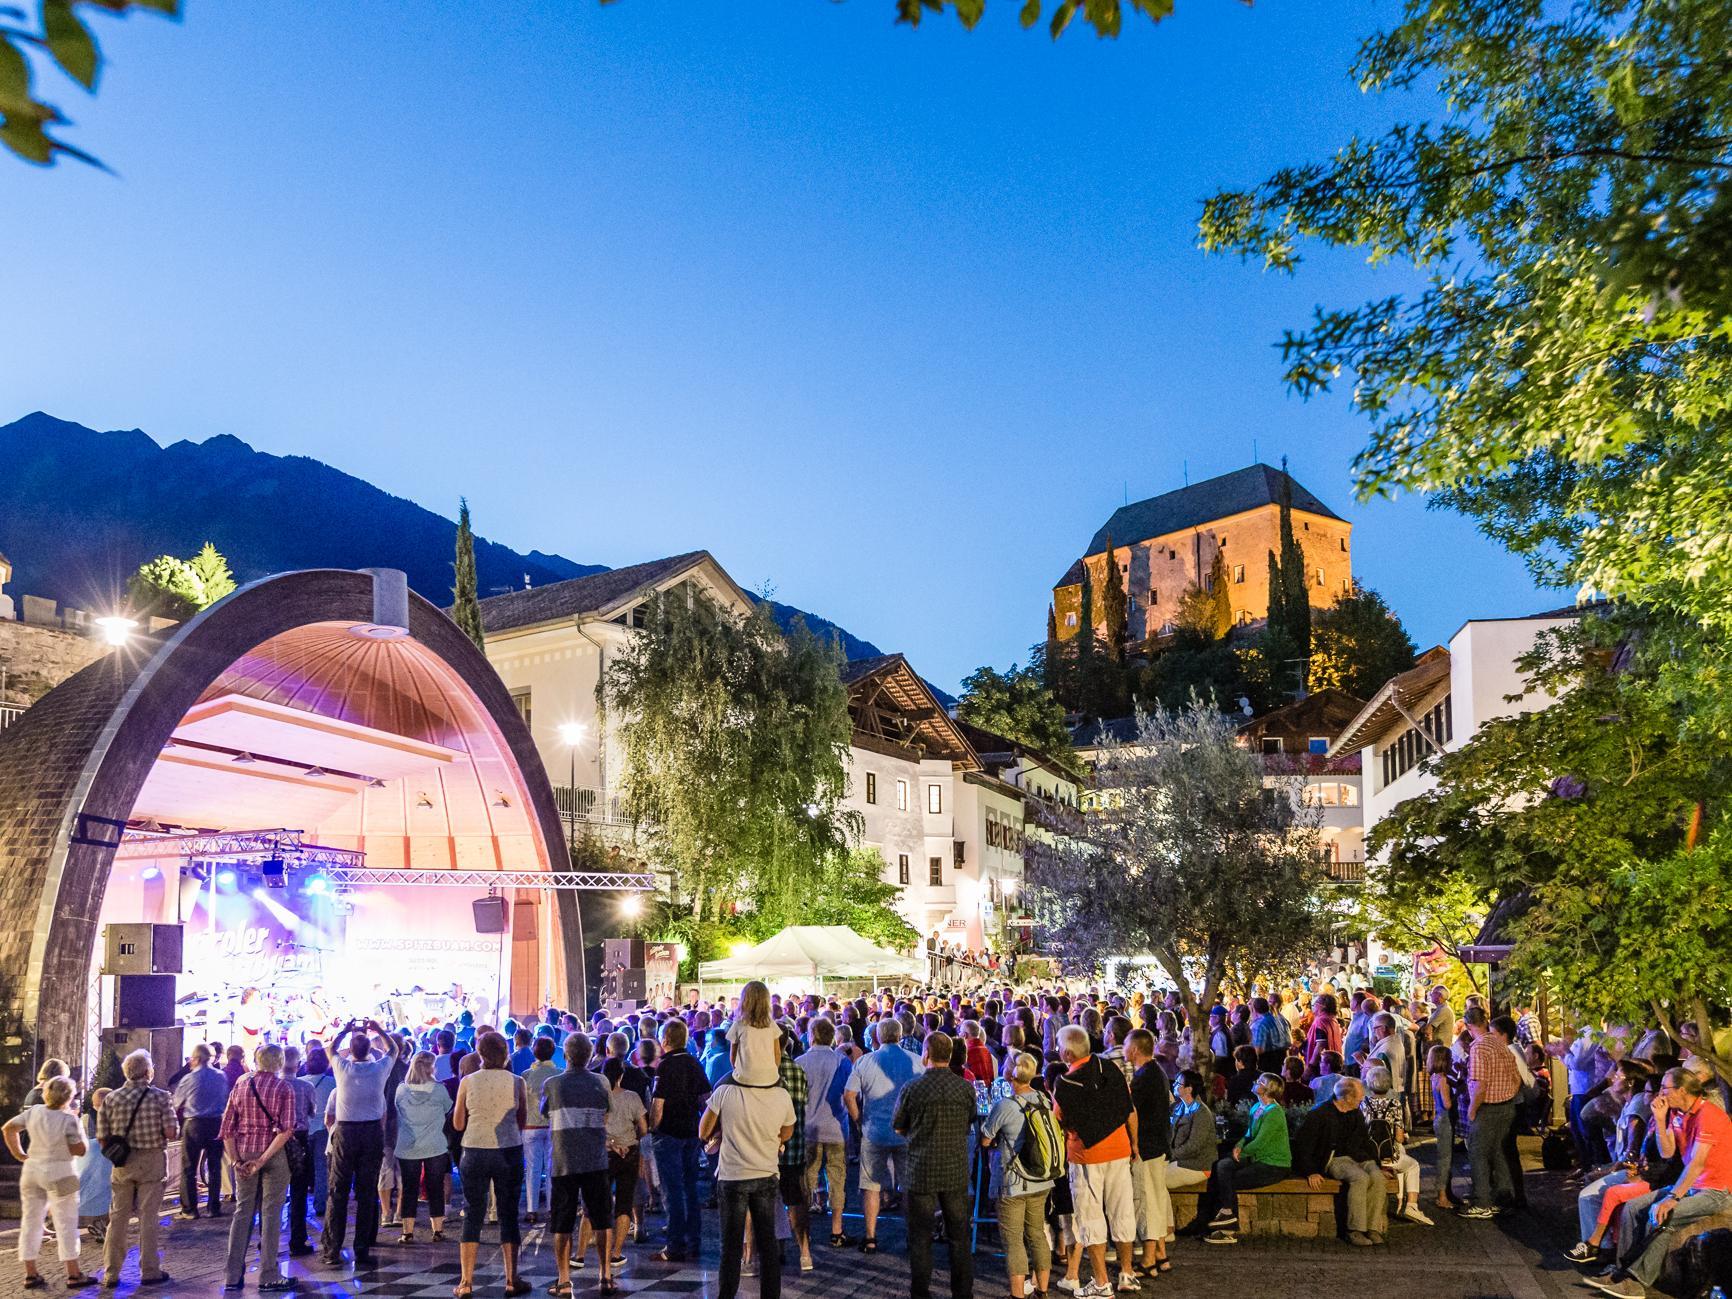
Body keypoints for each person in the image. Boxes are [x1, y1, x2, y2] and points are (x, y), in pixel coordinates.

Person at [1592, 1067, 1732, 1299]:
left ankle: (1636, 1282)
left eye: (1665, 1088)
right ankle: (1621, 1272)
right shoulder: (1679, 1114)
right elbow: (1668, 1152)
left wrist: (1672, 1198)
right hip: (1692, 1185)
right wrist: (1658, 1117)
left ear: (1682, 1090)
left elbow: (1696, 1164)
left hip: (1715, 1190)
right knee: (1632, 1208)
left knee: (1662, 1216)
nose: (1661, 1093)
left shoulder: (1709, 1115)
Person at [1052, 1024, 1137, 1297]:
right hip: (1120, 1148)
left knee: (1091, 1218)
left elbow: (1060, 1120)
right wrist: (1134, 1143)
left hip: (1087, 1155)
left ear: (1066, 1053)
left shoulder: (1064, 1084)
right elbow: (1129, 1109)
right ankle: (1127, 1272)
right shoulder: (1109, 1069)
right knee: (1122, 1212)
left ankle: (1101, 1283)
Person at [892, 1032, 978, 1299]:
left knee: (920, 1237)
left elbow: (898, 1126)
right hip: (954, 1168)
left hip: (921, 1169)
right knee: (959, 1237)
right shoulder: (965, 1088)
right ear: (949, 1055)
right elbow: (970, 1122)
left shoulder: (912, 1088)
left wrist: (917, 1134)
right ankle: (962, 1292)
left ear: (926, 1054)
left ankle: (920, 1291)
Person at [701, 1065, 796, 1299]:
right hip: (765, 1171)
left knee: (730, 1247)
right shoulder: (781, 1094)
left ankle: (726, 1296)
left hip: (733, 1174)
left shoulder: (725, 1091)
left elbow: (704, 1131)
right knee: (768, 1245)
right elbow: (786, 1133)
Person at [452, 1031, 529, 1297]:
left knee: (473, 1212)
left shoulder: (468, 1081)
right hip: (508, 1150)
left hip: (474, 1149)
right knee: (508, 1214)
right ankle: (511, 1278)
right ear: (506, 1053)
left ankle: (465, 1282)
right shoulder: (517, 1081)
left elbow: (458, 1124)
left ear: (479, 1054)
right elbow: (522, 1121)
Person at [4, 1074, 96, 1289]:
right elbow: (80, 1150)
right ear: (69, 1096)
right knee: (66, 1221)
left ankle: (30, 1272)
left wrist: (19, 1154)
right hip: (61, 1172)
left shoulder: (34, 1112)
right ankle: (73, 1273)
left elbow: (8, 1128)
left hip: (33, 1169)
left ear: (46, 1093)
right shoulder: (68, 1120)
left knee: (31, 1221)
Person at [97, 1048, 178, 1288]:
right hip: (152, 1160)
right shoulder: (161, 1097)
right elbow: (171, 1132)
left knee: (118, 1218)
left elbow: (102, 1137)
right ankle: (149, 1270)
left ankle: (111, 1273)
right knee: (148, 1218)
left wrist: (118, 1153)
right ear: (147, 1072)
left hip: (122, 1163)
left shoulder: (111, 1099)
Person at [218, 1042, 296, 1293]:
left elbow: (227, 1127)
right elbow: (286, 1130)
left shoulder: (241, 1084)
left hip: (243, 1151)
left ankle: (232, 1275)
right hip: (272, 1154)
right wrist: (263, 1159)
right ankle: (269, 1274)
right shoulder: (283, 1087)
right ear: (279, 1062)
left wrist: (236, 1160)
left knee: (242, 1212)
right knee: (271, 1214)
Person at [323, 1019, 401, 1268]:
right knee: (367, 1191)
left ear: (351, 1050)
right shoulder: (379, 1070)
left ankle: (332, 1249)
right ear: (369, 1050)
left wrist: (345, 1030)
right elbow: (394, 1050)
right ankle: (363, 1248)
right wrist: (380, 1030)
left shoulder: (342, 1067)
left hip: (346, 1131)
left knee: (338, 1191)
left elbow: (330, 1048)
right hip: (371, 1132)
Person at [545, 1033, 615, 1297]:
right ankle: (605, 1275)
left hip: (564, 1160)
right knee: (601, 1218)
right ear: (589, 1055)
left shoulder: (554, 1084)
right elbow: (608, 1113)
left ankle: (564, 1280)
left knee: (562, 1222)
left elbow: (545, 1112)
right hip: (595, 1158)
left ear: (566, 1055)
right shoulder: (601, 1081)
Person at [843, 1015, 920, 1253]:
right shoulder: (916, 1061)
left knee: (871, 1185)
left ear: (877, 1036)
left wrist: (858, 1120)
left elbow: (849, 1095)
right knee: (908, 1186)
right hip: (907, 1132)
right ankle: (912, 1234)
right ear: (900, 1035)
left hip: (874, 1129)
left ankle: (870, 1236)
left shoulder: (865, 1062)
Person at [981, 1051, 1055, 1299]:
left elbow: (986, 1138)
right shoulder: (1043, 1100)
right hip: (1041, 1179)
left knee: (1013, 1240)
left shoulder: (1006, 1105)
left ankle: (1017, 1294)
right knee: (1036, 1234)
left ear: (1011, 1074)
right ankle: (1042, 1290)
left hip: (1013, 1181)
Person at [1188, 1073, 1290, 1246]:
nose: (1256, 1082)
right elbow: (1249, 1134)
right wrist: (1238, 1146)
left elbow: (1260, 1142)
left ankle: (1227, 1227)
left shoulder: (1274, 1113)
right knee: (1222, 1167)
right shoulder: (1257, 1107)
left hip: (1273, 1164)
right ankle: (1223, 1218)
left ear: (1268, 1090)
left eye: (1260, 1082)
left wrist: (1240, 1153)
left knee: (1228, 1179)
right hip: (1256, 1157)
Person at [1291, 1077, 1388, 1246]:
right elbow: (1304, 1145)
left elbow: (1365, 1141)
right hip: (1335, 1159)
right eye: (1358, 1097)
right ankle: (1355, 1229)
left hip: (1359, 1157)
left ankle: (1372, 1228)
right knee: (1360, 1178)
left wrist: (1378, 1165)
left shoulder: (1355, 1112)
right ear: (1347, 1098)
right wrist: (1310, 1171)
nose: (1361, 1100)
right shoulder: (1320, 1114)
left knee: (1378, 1178)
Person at [649, 1018, 710, 1263]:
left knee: (671, 1190)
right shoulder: (694, 1063)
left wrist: (653, 1127)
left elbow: (658, 1103)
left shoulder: (664, 1066)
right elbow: (706, 1098)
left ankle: (674, 1245)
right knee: (690, 1188)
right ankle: (694, 1241)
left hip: (669, 1133)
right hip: (691, 1132)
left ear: (665, 1040)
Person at [795, 1017, 853, 1248]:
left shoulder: (801, 1062)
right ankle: (837, 1230)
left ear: (811, 1035)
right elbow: (849, 1092)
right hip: (836, 1127)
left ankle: (804, 1232)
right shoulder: (841, 1061)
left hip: (809, 1127)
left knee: (807, 1177)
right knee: (837, 1177)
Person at [1459, 1005, 1518, 1219]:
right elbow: (1515, 1074)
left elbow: (1480, 1084)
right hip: (1507, 1104)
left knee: (1478, 1153)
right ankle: (1502, 1196)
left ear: (1468, 1026)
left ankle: (1482, 1201)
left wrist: (1473, 1110)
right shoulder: (1498, 1042)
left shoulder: (1479, 1048)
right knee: (1497, 1151)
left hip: (1489, 1107)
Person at [1122, 1029, 1170, 1276]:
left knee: (1147, 1202)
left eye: (1125, 1044)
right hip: (1158, 1145)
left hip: (1147, 1148)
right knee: (1156, 1199)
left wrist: (1134, 1144)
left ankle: (1149, 1258)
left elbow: (1134, 1113)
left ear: (1135, 1049)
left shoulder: (1143, 1078)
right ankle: (1161, 1254)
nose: (1122, 1048)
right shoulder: (1157, 1072)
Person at [394, 1051, 454, 1244]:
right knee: (435, 1187)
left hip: (408, 1144)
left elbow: (397, 1109)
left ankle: (407, 1231)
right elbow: (447, 1109)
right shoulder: (439, 1090)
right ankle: (437, 1229)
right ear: (431, 1068)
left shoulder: (401, 1090)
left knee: (409, 1187)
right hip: (434, 1144)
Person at [1361, 1065, 1431, 1225]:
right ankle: (1412, 1205)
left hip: (1367, 1155)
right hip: (1387, 1157)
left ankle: (1401, 1201)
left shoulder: (1363, 1103)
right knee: (1413, 1165)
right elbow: (1399, 1138)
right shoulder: (1394, 1104)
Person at [171, 1043, 229, 1219]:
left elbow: (176, 1102)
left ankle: (190, 1209)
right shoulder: (221, 1076)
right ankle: (213, 1207)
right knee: (214, 1166)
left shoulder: (189, 1078)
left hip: (194, 1123)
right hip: (216, 1123)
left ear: (196, 1059)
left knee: (189, 1167)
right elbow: (225, 1098)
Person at [602, 1059, 647, 1268]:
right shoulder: (632, 1097)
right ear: (621, 1076)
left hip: (604, 1152)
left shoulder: (600, 1097)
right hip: (628, 1152)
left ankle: (599, 1247)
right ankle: (616, 1252)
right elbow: (644, 1128)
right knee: (624, 1203)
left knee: (600, 1203)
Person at [279, 1047, 317, 1257]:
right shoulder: (306, 1086)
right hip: (299, 1137)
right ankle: (298, 1238)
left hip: (276, 1138)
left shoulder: (274, 1085)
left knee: (272, 1192)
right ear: (298, 1064)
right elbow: (312, 1111)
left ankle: (267, 1238)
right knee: (299, 1191)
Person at [521, 1035, 560, 1226]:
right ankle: (552, 1208)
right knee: (552, 1168)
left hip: (530, 1126)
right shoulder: (559, 1074)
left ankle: (531, 1210)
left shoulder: (526, 1075)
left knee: (532, 1169)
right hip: (553, 1126)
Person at [1165, 1070, 1215, 1194]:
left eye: (1178, 1083)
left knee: (1157, 1180)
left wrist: (1171, 1154)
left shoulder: (1201, 1113)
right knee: (1151, 1176)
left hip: (1196, 1165)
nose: (1174, 1085)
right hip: (1179, 1159)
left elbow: (1194, 1146)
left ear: (1189, 1089)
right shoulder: (1178, 1107)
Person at [727, 980, 782, 1088]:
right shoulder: (772, 1025)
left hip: (744, 1078)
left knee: (717, 1087)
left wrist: (740, 1072)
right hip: (771, 1078)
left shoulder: (739, 1024)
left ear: (744, 1000)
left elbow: (732, 1056)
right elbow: (777, 1054)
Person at [1427, 1045, 1459, 1211]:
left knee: (1443, 1157)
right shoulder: (1444, 1080)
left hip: (1439, 1119)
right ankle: (1442, 1196)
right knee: (1445, 1159)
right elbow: (1447, 1104)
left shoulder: (1434, 1077)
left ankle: (1445, 1193)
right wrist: (1459, 1094)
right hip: (1446, 1120)